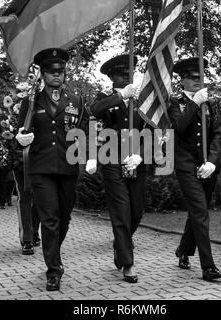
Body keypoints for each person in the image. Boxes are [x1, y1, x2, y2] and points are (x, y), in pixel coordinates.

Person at [15, 48, 89, 291]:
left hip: (68, 168)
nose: (57, 75)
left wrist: (90, 155)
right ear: (43, 74)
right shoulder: (31, 101)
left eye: (61, 71)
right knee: (50, 219)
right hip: (41, 168)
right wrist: (20, 139)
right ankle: (53, 270)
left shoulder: (77, 102)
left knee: (64, 218)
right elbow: (19, 133)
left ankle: (53, 252)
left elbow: (87, 130)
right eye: (51, 71)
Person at [89, 54, 146, 284]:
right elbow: (95, 110)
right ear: (112, 77)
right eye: (122, 73)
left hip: (136, 162)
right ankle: (128, 262)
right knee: (121, 212)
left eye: (129, 72)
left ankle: (120, 244)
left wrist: (141, 154)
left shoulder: (142, 101)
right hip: (112, 161)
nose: (127, 76)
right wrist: (121, 95)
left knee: (137, 212)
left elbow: (149, 130)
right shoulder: (106, 98)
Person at [167, 57, 221, 281]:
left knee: (198, 212)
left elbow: (218, 134)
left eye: (200, 77)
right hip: (186, 166)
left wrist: (211, 161)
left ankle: (183, 250)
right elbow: (178, 127)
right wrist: (193, 104)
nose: (198, 81)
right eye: (193, 77)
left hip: (208, 166)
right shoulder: (175, 102)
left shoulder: (209, 103)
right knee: (200, 212)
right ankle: (208, 267)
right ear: (182, 80)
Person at [11, 135, 41, 255]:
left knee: (39, 199)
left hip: (41, 159)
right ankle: (27, 238)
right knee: (24, 199)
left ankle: (33, 230)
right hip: (20, 161)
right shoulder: (16, 118)